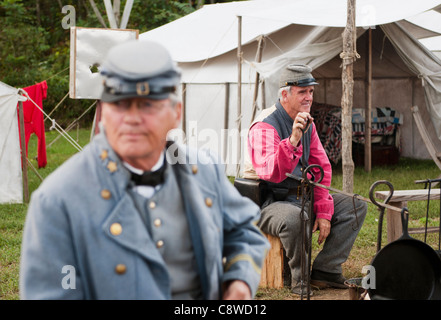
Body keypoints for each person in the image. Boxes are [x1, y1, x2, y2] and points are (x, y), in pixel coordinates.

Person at [19, 40, 269, 300]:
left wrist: (239, 281)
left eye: (148, 104)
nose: (132, 118)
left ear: (176, 113)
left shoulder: (204, 171)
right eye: (120, 104)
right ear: (103, 112)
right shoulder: (59, 199)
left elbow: (244, 231)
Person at [244, 64, 367, 295]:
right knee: (294, 217)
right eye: (302, 92)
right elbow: (271, 172)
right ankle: (299, 281)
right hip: (267, 204)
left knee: (355, 205)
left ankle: (326, 271)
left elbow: (321, 168)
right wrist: (292, 141)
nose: (309, 97)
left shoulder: (306, 122)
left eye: (311, 91)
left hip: (300, 197)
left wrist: (322, 210)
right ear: (285, 94)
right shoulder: (264, 126)